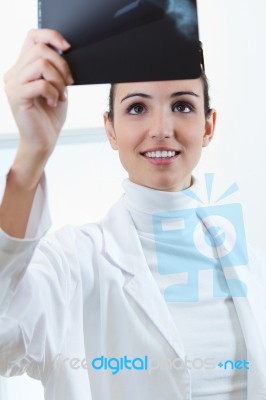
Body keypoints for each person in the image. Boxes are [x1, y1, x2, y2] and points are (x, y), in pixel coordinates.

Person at [0, 29, 265, 400]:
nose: (161, 130)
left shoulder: (253, 268)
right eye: (137, 108)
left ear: (208, 126)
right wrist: (32, 153)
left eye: (183, 106)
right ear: (110, 128)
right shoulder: (72, 264)